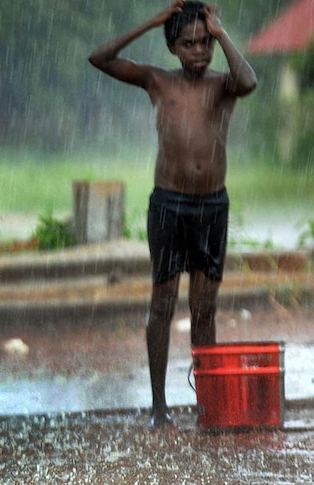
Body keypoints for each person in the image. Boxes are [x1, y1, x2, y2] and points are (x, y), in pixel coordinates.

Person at [88, 0, 257, 427]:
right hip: (169, 204)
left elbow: (250, 80)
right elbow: (99, 58)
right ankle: (159, 405)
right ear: (173, 48)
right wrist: (153, 20)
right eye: (188, 44)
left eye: (205, 44)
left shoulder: (224, 85)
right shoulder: (157, 81)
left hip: (211, 206)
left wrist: (220, 32)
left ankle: (210, 403)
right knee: (162, 303)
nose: (198, 53)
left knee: (204, 308)